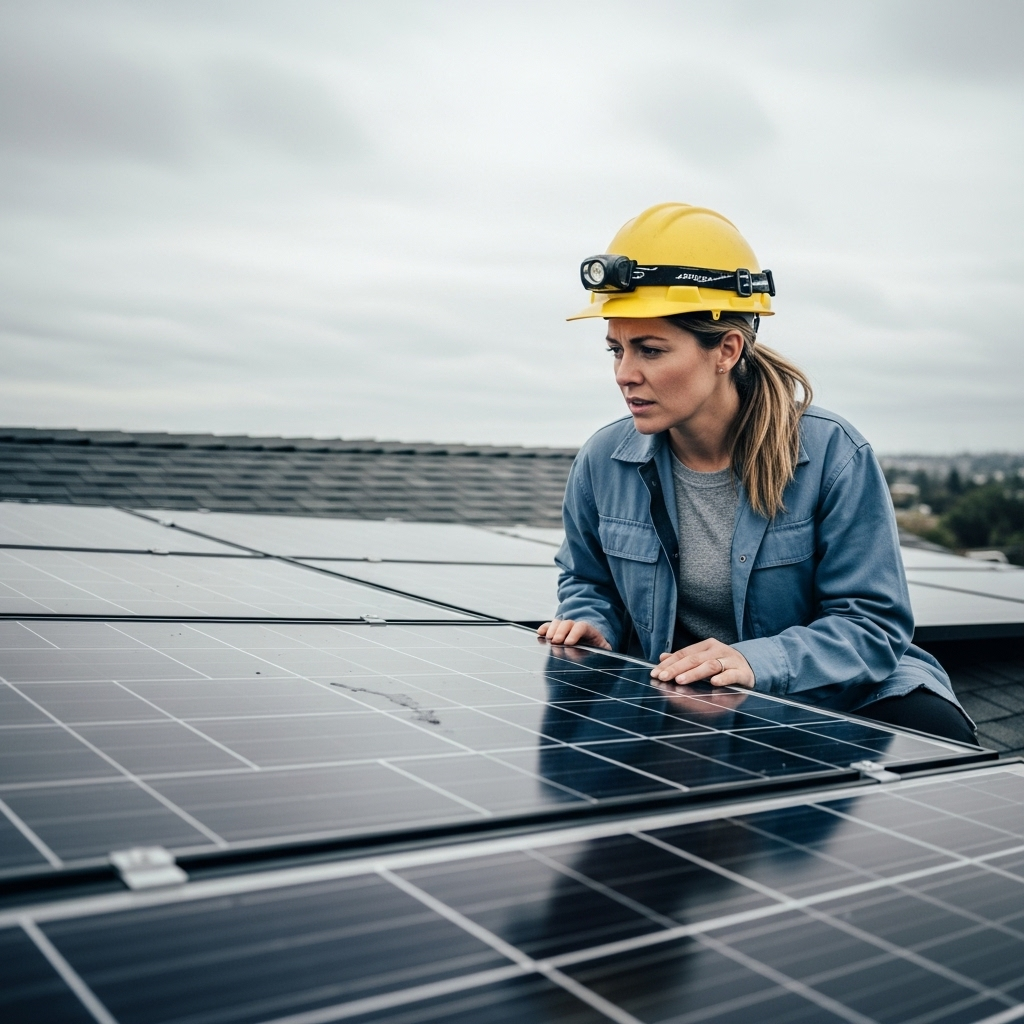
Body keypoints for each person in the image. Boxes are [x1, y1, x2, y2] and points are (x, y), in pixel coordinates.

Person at [538, 203, 976, 744]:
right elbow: (588, 579)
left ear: (726, 349)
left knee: (933, 751)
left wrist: (754, 662)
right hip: (697, 699)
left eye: (650, 350)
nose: (625, 375)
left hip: (843, 694)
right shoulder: (603, 462)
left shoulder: (831, 454)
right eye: (616, 350)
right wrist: (591, 623)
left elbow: (872, 627)